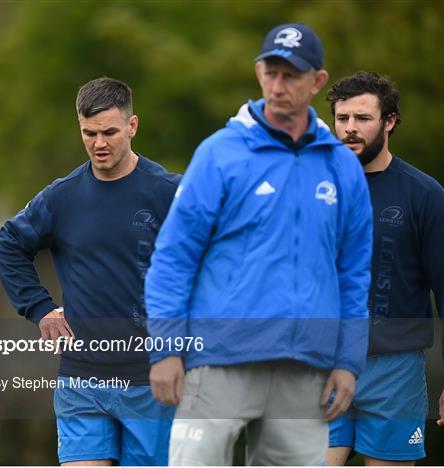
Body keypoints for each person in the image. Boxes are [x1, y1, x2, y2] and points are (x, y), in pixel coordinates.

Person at [145, 23, 373, 466]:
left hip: (306, 367)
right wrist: (166, 348)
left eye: (291, 75)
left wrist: (348, 363)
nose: (278, 85)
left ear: (318, 81)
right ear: (258, 73)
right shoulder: (219, 153)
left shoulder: (342, 168)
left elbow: (354, 271)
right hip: (220, 358)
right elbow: (173, 257)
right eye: (271, 73)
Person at [0, 77, 180, 466]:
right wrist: (39, 307)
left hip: (151, 380)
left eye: (109, 131)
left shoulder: (168, 193)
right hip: (81, 379)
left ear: (132, 126)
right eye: (89, 133)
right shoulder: (62, 197)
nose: (99, 143)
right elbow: (7, 244)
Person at [325, 71, 444, 465]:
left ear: (389, 121)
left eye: (363, 118)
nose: (350, 129)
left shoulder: (424, 194)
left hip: (395, 371)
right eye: (342, 119)